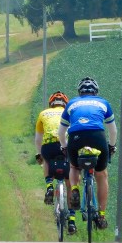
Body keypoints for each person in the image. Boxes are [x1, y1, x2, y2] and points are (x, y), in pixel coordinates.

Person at [58, 77, 118, 231]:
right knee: (102, 174)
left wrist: (64, 147)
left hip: (76, 137)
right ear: (96, 92)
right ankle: (102, 216)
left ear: (80, 92)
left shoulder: (71, 103)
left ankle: (75, 189)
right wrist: (111, 146)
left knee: (74, 167)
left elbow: (61, 132)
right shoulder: (103, 103)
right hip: (98, 136)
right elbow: (113, 131)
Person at [34, 91, 77, 234]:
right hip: (66, 146)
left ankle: (49, 186)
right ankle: (72, 221)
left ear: (51, 104)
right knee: (70, 182)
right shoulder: (70, 113)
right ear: (65, 104)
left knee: (46, 159)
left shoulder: (43, 113)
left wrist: (39, 154)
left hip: (49, 146)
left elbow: (38, 139)